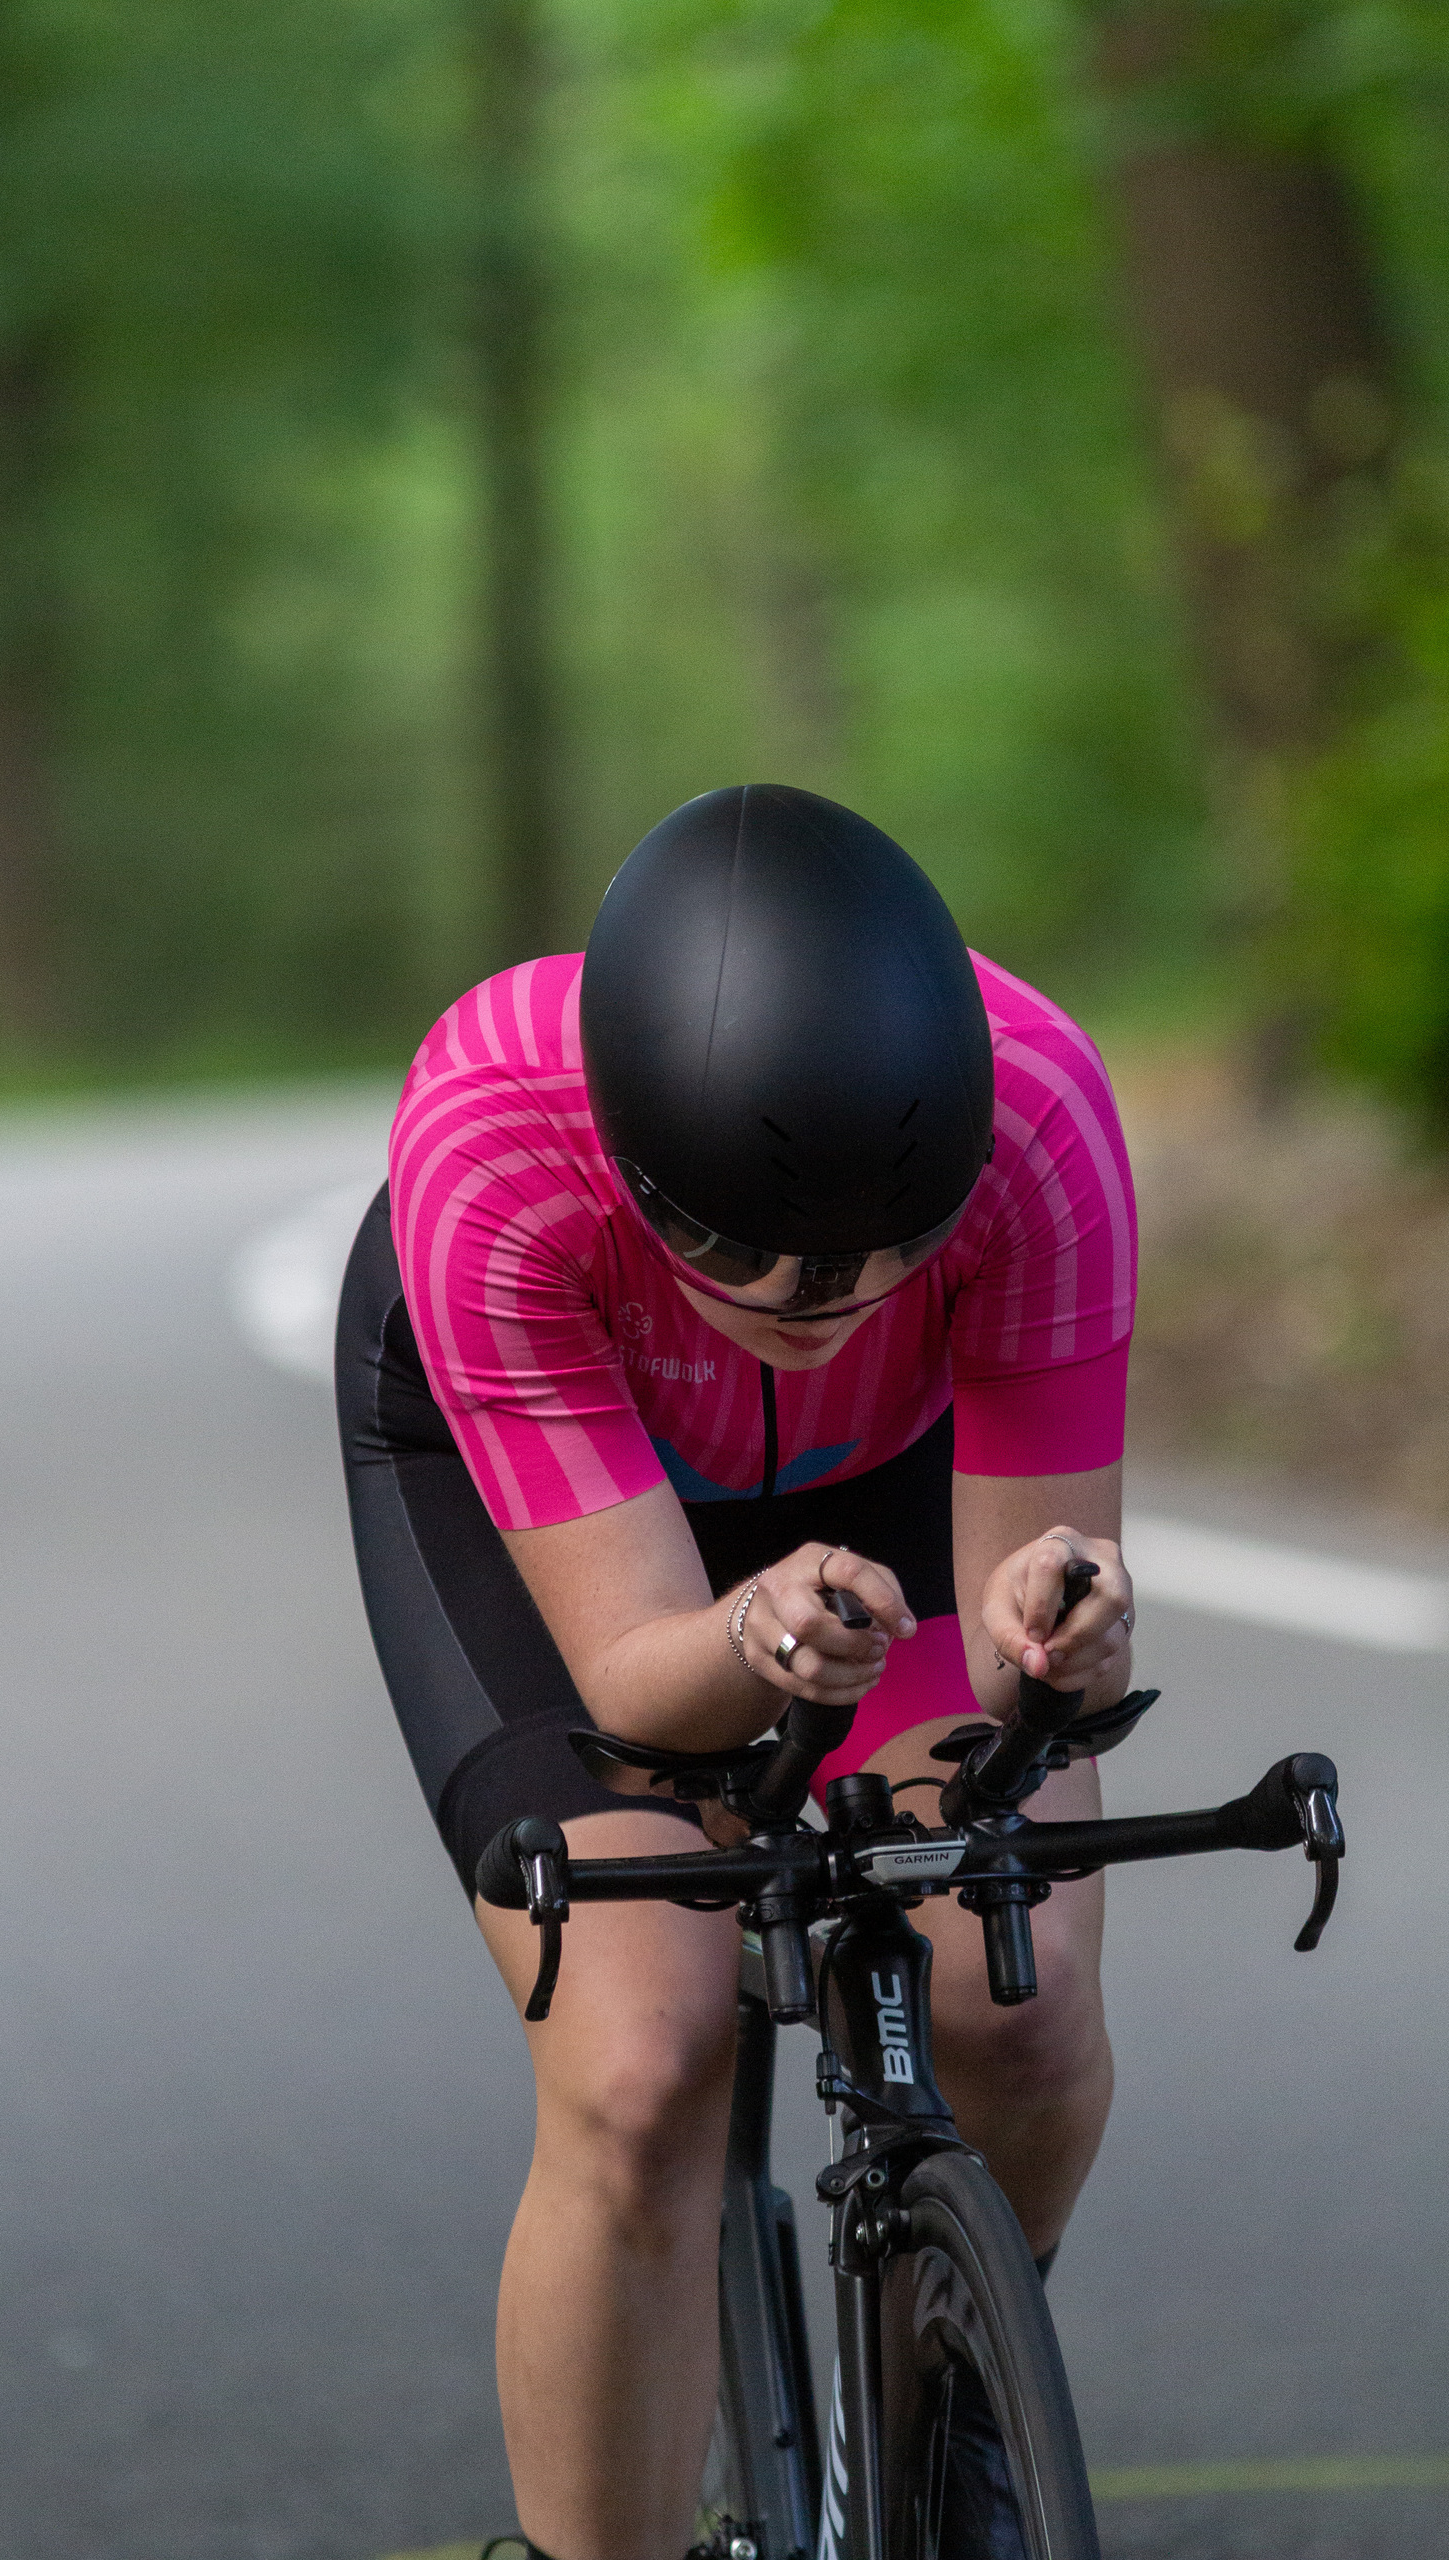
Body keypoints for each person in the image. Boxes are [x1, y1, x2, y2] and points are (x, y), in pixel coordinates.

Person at [337, 785, 1138, 2560]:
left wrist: (1063, 1636)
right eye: (729, 1243)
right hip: (561, 1475)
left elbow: (1026, 1633)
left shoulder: (1047, 1126)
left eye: (880, 1250)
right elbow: (633, 1680)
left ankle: (965, 2458)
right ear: (632, 1168)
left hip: (889, 1473)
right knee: (644, 2058)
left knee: (1025, 1998)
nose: (802, 1294)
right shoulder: (491, 1136)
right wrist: (749, 1636)